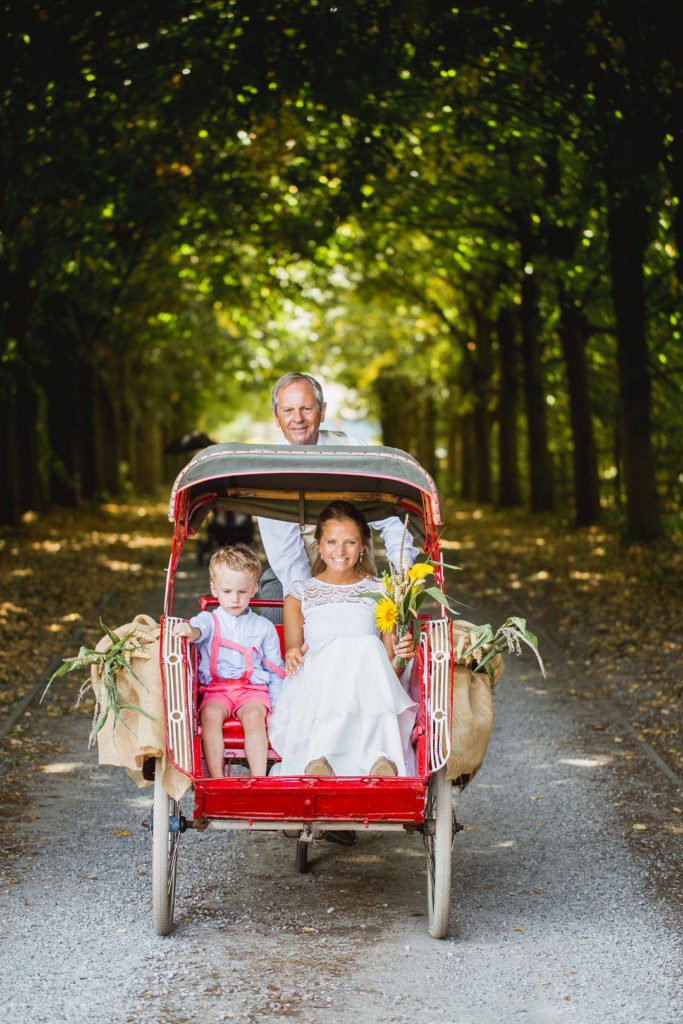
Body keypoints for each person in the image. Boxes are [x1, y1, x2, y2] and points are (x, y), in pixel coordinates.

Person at [267, 501, 418, 777]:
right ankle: (320, 757)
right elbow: (293, 651)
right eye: (332, 542)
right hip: (316, 688)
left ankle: (380, 758)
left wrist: (401, 656)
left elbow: (389, 668)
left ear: (362, 546)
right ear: (319, 546)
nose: (340, 551)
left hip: (369, 687)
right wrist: (291, 653)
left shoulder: (382, 591)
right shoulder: (299, 594)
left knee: (366, 646)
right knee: (347, 646)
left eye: (350, 542)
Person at [257, 372, 419, 604]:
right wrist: (316, 606)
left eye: (306, 408)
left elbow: (390, 519)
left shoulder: (352, 449)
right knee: (275, 609)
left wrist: (404, 573)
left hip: (357, 572)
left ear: (322, 412)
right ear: (276, 417)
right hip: (297, 576)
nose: (298, 418)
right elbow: (287, 558)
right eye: (288, 410)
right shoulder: (268, 471)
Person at [172, 544, 285, 778]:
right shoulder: (209, 620)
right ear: (214, 589)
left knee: (254, 717)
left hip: (252, 690)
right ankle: (216, 779)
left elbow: (275, 669)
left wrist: (276, 705)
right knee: (210, 715)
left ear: (254, 589)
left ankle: (258, 778)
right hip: (217, 689)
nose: (235, 599)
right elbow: (198, 630)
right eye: (227, 591)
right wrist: (190, 630)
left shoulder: (263, 627)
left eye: (243, 592)